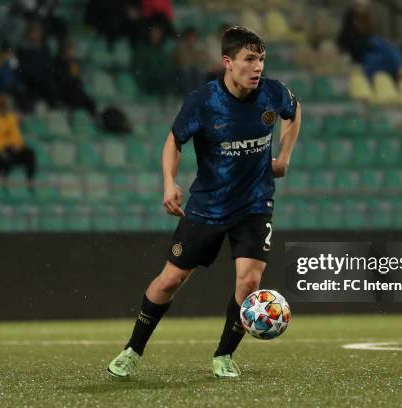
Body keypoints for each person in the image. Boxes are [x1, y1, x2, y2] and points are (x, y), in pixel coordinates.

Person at [107, 26, 301, 379]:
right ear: (228, 62)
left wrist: (284, 156)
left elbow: (295, 110)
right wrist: (169, 182)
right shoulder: (204, 102)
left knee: (249, 282)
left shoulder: (273, 93)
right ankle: (133, 349)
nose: (257, 67)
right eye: (249, 60)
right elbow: (174, 141)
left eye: (261, 59)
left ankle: (224, 355)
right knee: (170, 280)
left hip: (256, 204)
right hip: (208, 207)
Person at [0, 89, 37, 181]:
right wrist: (5, 145)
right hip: (0, 149)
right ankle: (3, 182)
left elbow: (16, 134)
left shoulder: (11, 116)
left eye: (5, 97)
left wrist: (18, 145)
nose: (4, 99)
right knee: (5, 158)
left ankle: (30, 182)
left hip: (15, 149)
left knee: (30, 154)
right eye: (1, 97)